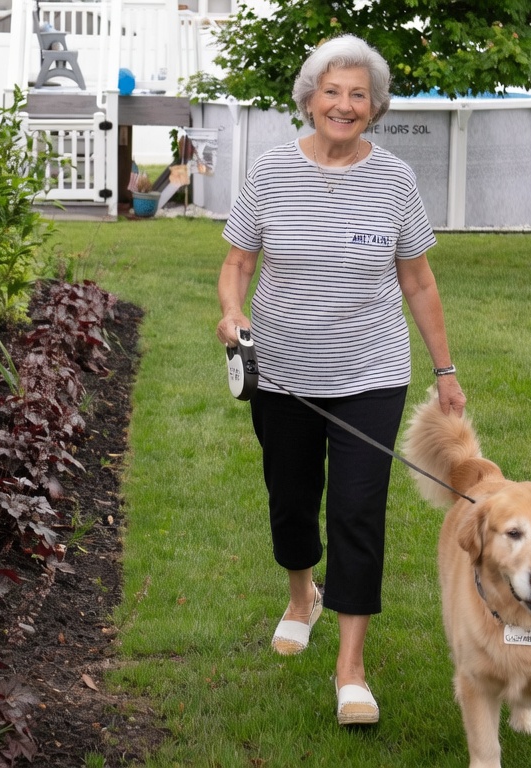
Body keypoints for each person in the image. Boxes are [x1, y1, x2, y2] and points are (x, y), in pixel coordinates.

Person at [215, 34, 466, 726]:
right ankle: (303, 596)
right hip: (284, 375)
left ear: (375, 107)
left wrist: (445, 371)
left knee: (357, 512)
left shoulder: (394, 181)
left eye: (359, 94)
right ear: (309, 99)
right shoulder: (269, 173)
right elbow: (238, 262)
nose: (344, 105)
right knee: (291, 501)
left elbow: (417, 279)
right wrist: (232, 311)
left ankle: (350, 670)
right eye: (332, 92)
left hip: (370, 372)